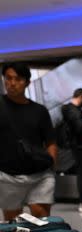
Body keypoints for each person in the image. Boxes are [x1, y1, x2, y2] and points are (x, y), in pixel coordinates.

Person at [0, 62, 57, 220]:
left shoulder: (39, 111)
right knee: (13, 223)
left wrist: (52, 165)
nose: (12, 83)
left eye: (17, 79)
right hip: (8, 175)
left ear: (27, 82)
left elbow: (51, 141)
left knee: (41, 216)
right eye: (8, 78)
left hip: (40, 174)